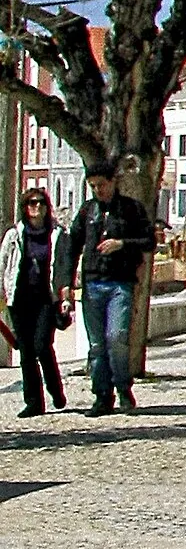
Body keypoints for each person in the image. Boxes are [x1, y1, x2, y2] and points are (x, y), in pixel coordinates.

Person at [60, 162, 155, 416]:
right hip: (92, 284)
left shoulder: (131, 209)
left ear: (113, 182)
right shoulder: (87, 211)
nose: (98, 190)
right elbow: (71, 247)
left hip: (120, 284)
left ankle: (123, 386)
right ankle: (102, 395)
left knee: (117, 336)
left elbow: (149, 241)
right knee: (96, 345)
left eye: (101, 185)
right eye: (93, 186)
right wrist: (66, 284)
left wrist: (122, 244)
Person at [1, 188, 68, 416]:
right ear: (25, 207)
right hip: (19, 299)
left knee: (42, 345)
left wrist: (66, 296)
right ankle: (33, 402)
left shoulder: (57, 234)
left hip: (46, 299)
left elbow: (64, 266)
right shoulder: (15, 235)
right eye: (31, 203)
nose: (36, 207)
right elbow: (2, 265)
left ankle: (55, 390)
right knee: (27, 351)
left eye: (40, 203)